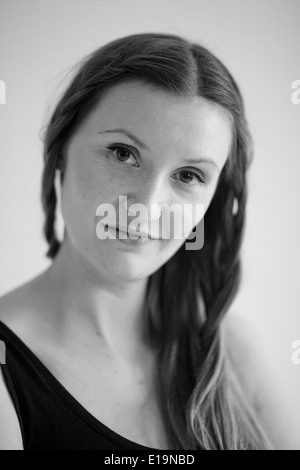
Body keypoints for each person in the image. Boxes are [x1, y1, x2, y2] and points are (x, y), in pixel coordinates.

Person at [0, 32, 294, 450]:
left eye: (189, 176)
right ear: (61, 148)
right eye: (123, 153)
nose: (149, 207)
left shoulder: (234, 354)